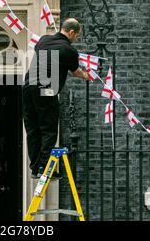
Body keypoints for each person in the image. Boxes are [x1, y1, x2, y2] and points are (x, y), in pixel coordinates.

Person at [23, 18, 90, 179]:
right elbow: (76, 72)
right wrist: (87, 75)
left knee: (32, 130)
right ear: (71, 32)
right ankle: (44, 169)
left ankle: (35, 168)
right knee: (48, 130)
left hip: (27, 89)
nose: (76, 39)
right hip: (46, 91)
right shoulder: (69, 50)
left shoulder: (43, 40)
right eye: (77, 36)